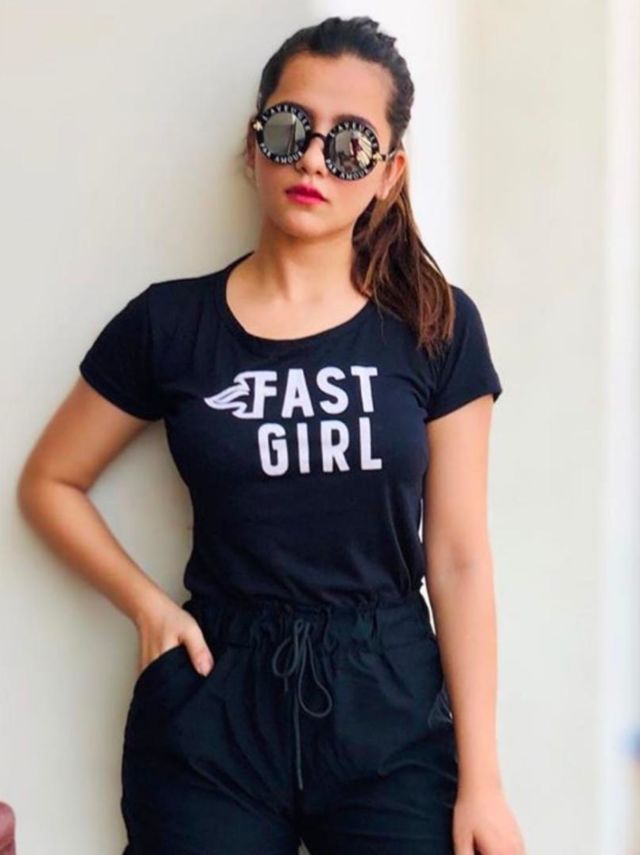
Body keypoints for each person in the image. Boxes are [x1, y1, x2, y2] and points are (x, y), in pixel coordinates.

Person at [16, 14, 526, 855]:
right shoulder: (169, 325)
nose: (316, 159)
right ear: (255, 146)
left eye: (351, 143)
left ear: (389, 173)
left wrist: (484, 781)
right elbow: (49, 482)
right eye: (292, 128)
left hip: (389, 702)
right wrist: (147, 607)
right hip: (216, 699)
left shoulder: (435, 326)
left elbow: (461, 557)